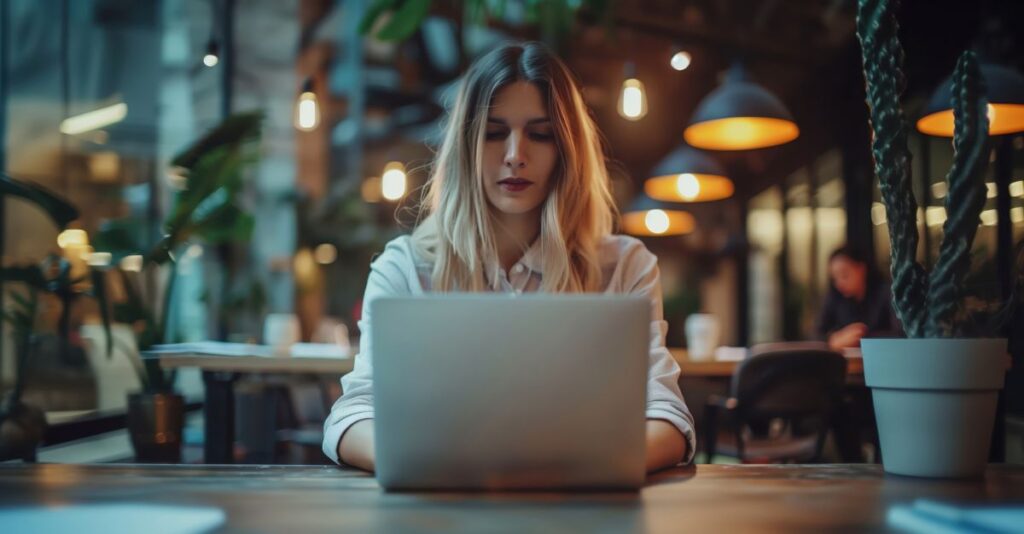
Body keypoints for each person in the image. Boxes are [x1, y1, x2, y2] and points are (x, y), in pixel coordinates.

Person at [321, 42, 695, 473]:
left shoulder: (626, 267)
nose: (516, 154)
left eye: (540, 134)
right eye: (494, 133)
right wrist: (441, 467)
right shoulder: (403, 269)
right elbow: (351, 416)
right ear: (467, 146)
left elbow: (668, 415)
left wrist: (571, 472)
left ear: (567, 151)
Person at [817, 246, 901, 351]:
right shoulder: (834, 296)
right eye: (835, 278)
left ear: (861, 268)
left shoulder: (886, 293)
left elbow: (901, 334)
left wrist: (861, 337)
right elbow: (815, 335)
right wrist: (833, 340)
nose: (839, 283)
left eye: (844, 275)